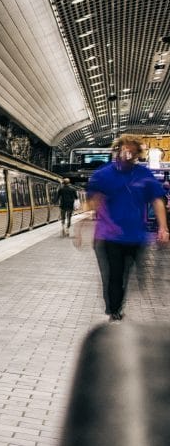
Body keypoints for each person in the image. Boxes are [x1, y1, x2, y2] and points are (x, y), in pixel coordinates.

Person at [76, 134, 169, 321]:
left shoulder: (144, 175)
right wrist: (81, 226)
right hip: (108, 236)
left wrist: (163, 228)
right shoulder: (103, 174)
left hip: (136, 236)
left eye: (132, 152)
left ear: (137, 154)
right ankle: (114, 310)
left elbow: (157, 200)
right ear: (117, 150)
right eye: (125, 150)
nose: (128, 154)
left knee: (128, 275)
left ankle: (118, 304)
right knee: (114, 276)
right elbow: (92, 202)